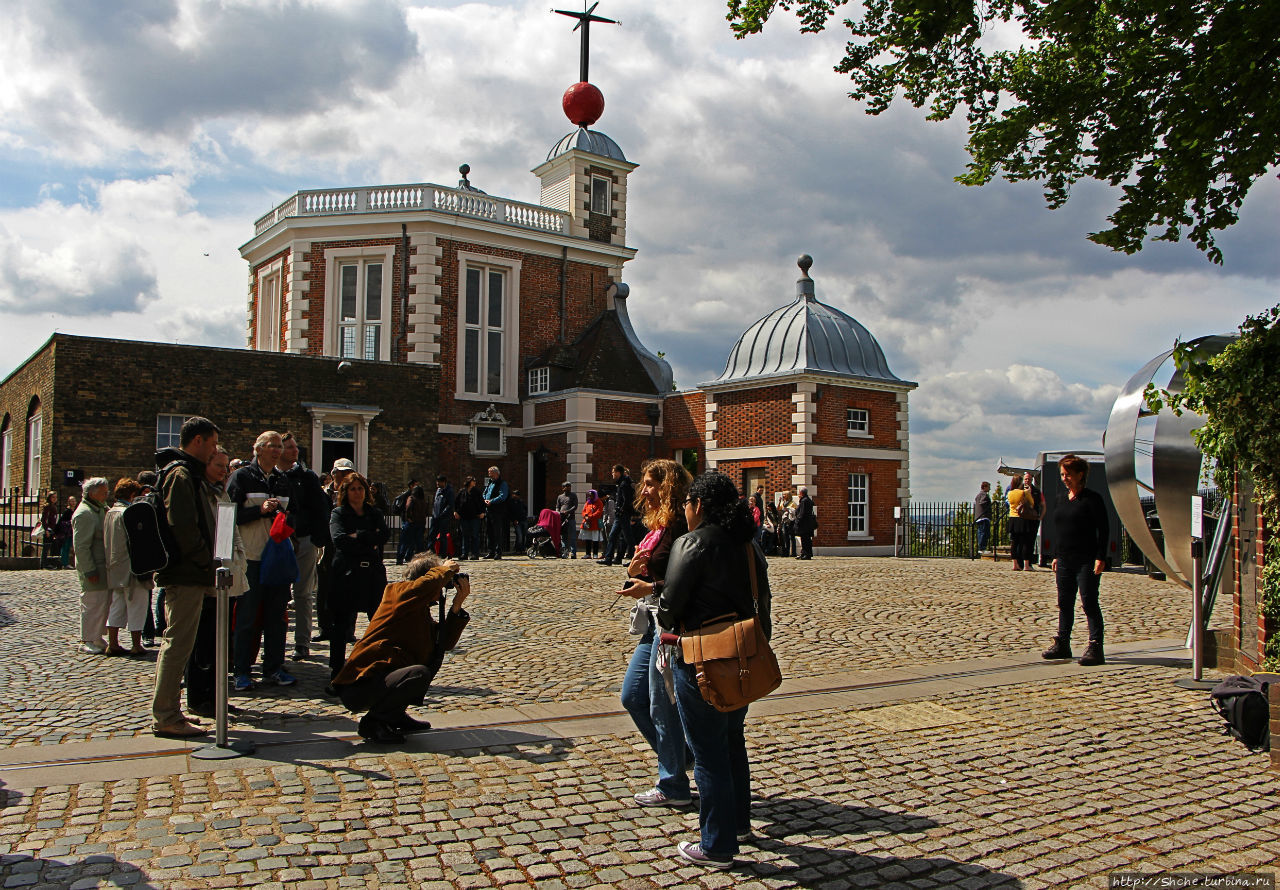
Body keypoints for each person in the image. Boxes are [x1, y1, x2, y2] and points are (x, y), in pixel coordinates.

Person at [657, 472, 772, 869]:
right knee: (732, 742)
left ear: (699, 505)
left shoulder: (691, 543)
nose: (684, 511)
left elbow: (669, 611)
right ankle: (739, 823)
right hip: (742, 655)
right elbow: (763, 605)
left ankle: (717, 845)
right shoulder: (748, 545)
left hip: (702, 657)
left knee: (707, 753)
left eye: (687, 504)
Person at [331, 552, 471, 743]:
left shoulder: (419, 610)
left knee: (429, 664)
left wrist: (456, 605)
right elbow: (423, 586)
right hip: (360, 686)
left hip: (380, 681)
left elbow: (443, 644)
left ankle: (394, 715)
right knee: (418, 674)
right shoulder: (397, 593)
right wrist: (444, 569)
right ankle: (374, 723)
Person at [617, 459, 692, 809]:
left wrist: (650, 583)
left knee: (662, 704)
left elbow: (685, 580)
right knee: (633, 696)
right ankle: (682, 756)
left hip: (671, 627)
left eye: (650, 484)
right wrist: (635, 574)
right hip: (652, 623)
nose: (643, 490)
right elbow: (648, 578)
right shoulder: (657, 527)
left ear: (668, 486)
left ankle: (673, 781)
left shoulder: (679, 526)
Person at [150, 415, 220, 739]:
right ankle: (166, 715)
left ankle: (169, 712)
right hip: (185, 573)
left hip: (190, 571)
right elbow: (183, 525)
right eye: (213, 444)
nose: (214, 451)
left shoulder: (186, 473)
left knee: (179, 643)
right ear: (198, 441)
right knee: (177, 644)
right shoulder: (180, 474)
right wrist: (205, 559)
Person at [227, 430, 298, 692]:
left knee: (277, 617)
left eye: (280, 446)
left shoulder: (283, 480)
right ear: (258, 449)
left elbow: (294, 516)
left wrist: (285, 517)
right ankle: (242, 671)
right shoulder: (242, 477)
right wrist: (260, 511)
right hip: (252, 557)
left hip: (277, 556)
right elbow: (229, 516)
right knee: (246, 617)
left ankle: (274, 668)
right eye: (273, 445)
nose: (278, 450)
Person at [187, 446, 248, 718]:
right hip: (208, 576)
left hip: (227, 571)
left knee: (221, 641)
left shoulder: (220, 491)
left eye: (226, 466)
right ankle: (199, 697)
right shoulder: (199, 491)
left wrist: (238, 560)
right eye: (219, 465)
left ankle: (216, 695)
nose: (225, 471)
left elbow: (230, 530)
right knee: (204, 642)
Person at [1042, 454, 1110, 666]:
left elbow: (1104, 529)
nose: (1065, 478)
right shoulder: (1061, 499)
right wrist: (1056, 555)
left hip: (1086, 559)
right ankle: (1063, 642)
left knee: (1089, 602)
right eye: (1062, 474)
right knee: (1064, 603)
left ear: (1080, 475)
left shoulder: (1092, 499)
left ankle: (1095, 645)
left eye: (1068, 474)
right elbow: (1060, 530)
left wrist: (1101, 556)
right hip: (1064, 559)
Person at [328, 472, 390, 683]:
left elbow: (383, 536)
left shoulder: (374, 513)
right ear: (345, 492)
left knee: (378, 621)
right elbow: (339, 540)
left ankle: (378, 666)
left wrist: (359, 535)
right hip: (346, 574)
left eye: (360, 488)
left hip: (372, 573)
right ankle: (336, 669)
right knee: (341, 623)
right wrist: (367, 541)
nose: (357, 492)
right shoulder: (339, 514)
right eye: (353, 489)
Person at [279, 433, 329, 658]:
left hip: (305, 539)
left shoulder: (307, 476)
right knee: (276, 595)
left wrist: (319, 539)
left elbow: (320, 509)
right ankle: (275, 644)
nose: (295, 451)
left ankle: (302, 642)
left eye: (295, 447)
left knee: (303, 593)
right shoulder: (272, 477)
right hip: (278, 541)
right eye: (289, 447)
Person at [103, 478, 152, 657]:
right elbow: (137, 541)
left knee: (117, 604)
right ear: (132, 495)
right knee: (137, 604)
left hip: (115, 565)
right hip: (132, 566)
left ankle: (113, 642)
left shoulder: (110, 512)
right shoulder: (129, 512)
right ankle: (136, 644)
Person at [72, 478, 111, 654]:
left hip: (104, 566)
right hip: (93, 567)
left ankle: (96, 636)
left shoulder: (100, 509)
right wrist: (89, 570)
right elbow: (81, 547)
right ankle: (86, 638)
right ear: (92, 493)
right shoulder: (84, 514)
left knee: (102, 602)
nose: (107, 494)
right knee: (91, 603)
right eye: (103, 492)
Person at [599, 465, 635, 566]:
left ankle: (635, 559)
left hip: (623, 514)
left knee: (629, 538)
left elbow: (627, 500)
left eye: (613, 472)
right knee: (613, 536)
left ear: (618, 472)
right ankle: (609, 558)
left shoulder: (624, 484)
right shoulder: (621, 483)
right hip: (620, 515)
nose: (612, 474)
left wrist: (622, 509)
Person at [1007, 475, 1039, 571]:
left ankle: (1015, 564)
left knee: (1014, 542)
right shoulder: (1024, 492)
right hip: (1022, 518)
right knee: (1025, 542)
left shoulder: (1010, 493)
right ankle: (1026, 565)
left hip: (1012, 518)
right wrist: (1028, 492)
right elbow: (1032, 503)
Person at [481, 466, 509, 559]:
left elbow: (503, 496)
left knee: (497, 532)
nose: (489, 475)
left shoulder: (502, 483)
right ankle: (491, 551)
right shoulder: (490, 483)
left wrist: (491, 501)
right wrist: (485, 499)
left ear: (496, 473)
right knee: (489, 532)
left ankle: (498, 551)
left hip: (497, 511)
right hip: (489, 511)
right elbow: (485, 493)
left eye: (491, 473)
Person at [454, 476, 484, 560]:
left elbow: (481, 502)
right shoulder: (462, 491)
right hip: (464, 517)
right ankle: (465, 553)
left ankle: (475, 553)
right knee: (465, 535)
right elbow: (457, 502)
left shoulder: (477, 492)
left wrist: (482, 512)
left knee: (474, 535)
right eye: (473, 481)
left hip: (474, 516)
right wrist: (456, 511)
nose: (474, 482)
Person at [399, 484, 428, 564]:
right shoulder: (423, 501)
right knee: (419, 543)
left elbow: (408, 508)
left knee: (406, 542)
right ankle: (419, 559)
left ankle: (400, 558)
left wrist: (408, 518)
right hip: (421, 523)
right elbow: (426, 512)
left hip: (412, 523)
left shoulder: (412, 498)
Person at [1022, 471, 1044, 569]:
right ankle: (1021, 562)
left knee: (1030, 541)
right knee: (1021, 541)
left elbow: (1040, 504)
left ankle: (1028, 562)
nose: (1028, 481)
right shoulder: (1018, 489)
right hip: (1022, 518)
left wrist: (1040, 516)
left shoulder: (1036, 491)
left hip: (1033, 518)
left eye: (1029, 479)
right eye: (1026, 479)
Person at [429, 475, 454, 555]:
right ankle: (430, 552)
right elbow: (435, 503)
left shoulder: (449, 491)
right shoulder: (438, 490)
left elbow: (450, 505)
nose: (437, 483)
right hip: (435, 517)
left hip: (443, 518)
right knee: (431, 535)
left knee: (443, 536)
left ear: (444, 482)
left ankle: (442, 554)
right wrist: (434, 514)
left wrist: (443, 514)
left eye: (439, 482)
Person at [556, 482, 579, 559]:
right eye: (566, 486)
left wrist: (568, 511)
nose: (568, 488)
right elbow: (557, 506)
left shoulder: (573, 495)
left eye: (569, 486)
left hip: (570, 518)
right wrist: (558, 512)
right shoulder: (560, 497)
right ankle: (564, 552)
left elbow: (575, 506)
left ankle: (573, 553)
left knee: (572, 536)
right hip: (562, 519)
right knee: (563, 536)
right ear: (563, 488)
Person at [579, 490, 604, 559]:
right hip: (587, 523)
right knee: (588, 539)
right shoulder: (588, 502)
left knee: (595, 539)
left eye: (591, 495)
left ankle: (595, 554)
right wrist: (585, 516)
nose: (589, 496)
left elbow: (599, 512)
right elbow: (584, 511)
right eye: (589, 495)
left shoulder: (599, 502)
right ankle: (588, 554)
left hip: (595, 523)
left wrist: (590, 517)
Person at [39, 492, 60, 569]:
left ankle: (47, 563)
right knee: (46, 547)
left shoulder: (53, 506)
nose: (54, 499)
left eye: (55, 497)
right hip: (48, 529)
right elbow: (44, 519)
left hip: (52, 529)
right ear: (49, 498)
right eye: (53, 497)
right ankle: (44, 564)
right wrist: (46, 529)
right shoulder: (47, 506)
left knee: (49, 546)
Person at [57, 494, 78, 569]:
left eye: (74, 501)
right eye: (71, 501)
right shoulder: (67, 511)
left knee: (68, 547)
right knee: (65, 547)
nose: (73, 502)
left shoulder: (74, 510)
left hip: (71, 532)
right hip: (66, 532)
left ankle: (67, 563)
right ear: (69, 502)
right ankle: (64, 563)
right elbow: (61, 521)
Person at [795, 487, 816, 559]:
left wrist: (798, 520)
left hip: (804, 524)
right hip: (807, 523)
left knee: (805, 539)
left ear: (801, 493)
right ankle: (804, 553)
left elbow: (802, 513)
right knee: (805, 539)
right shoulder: (806, 500)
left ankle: (807, 554)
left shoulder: (804, 501)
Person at [974, 481, 992, 554]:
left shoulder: (978, 495)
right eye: (988, 487)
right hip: (983, 516)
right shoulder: (984, 495)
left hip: (978, 517)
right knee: (984, 533)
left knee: (980, 532)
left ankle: (981, 547)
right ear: (985, 487)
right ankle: (982, 548)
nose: (989, 489)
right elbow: (982, 502)